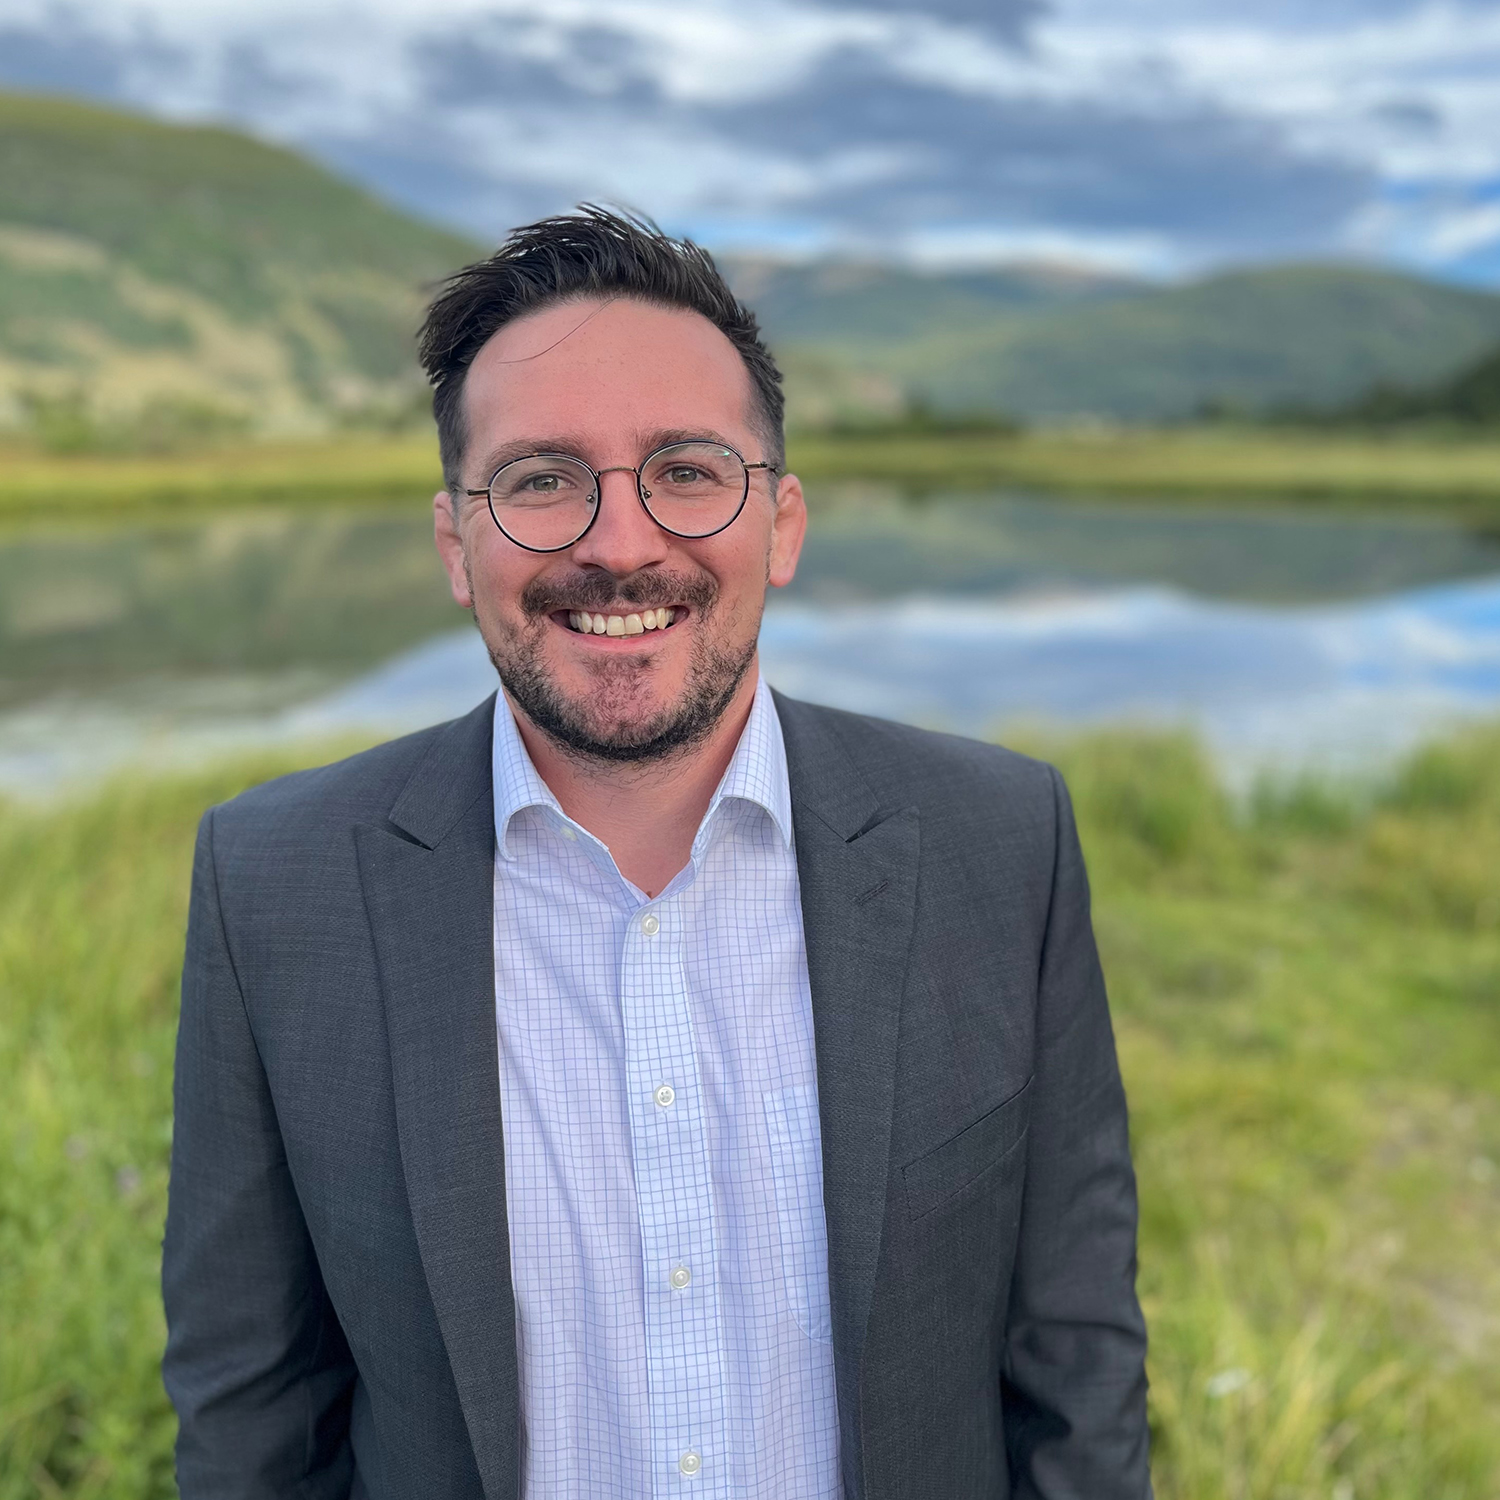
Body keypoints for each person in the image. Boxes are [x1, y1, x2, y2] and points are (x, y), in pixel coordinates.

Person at [162, 207, 1150, 1500]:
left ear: (781, 524)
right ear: (459, 546)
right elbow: (251, 1417)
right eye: (539, 478)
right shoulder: (274, 887)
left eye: (687, 469)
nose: (619, 543)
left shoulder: (1001, 846)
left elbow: (1075, 1368)